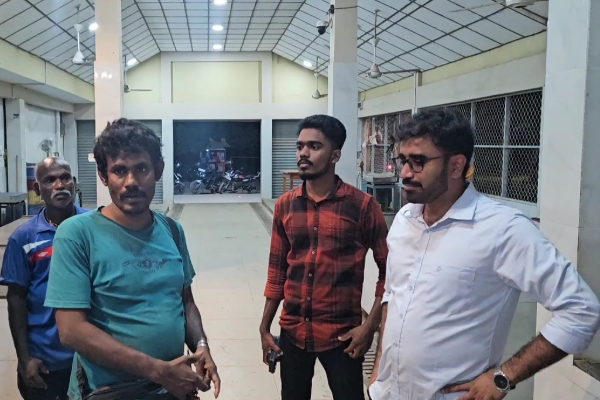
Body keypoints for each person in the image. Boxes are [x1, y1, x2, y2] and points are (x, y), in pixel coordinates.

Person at [369, 108, 600, 400]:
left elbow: (581, 310)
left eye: (418, 162)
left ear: (456, 166)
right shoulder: (405, 220)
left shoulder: (503, 229)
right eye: (403, 160)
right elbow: (393, 296)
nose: (404, 173)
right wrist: (378, 372)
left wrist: (504, 376)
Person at [44, 119, 221, 400]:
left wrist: (201, 345)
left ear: (158, 170)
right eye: (119, 171)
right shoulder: (77, 234)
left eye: (141, 168)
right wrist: (157, 370)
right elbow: (71, 331)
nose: (131, 182)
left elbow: (185, 301)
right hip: (108, 392)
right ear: (103, 176)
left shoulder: (172, 230)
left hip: (172, 389)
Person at [260, 115, 389, 400]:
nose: (303, 153)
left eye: (314, 146)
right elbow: (277, 271)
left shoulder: (363, 207)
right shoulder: (285, 206)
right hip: (293, 332)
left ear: (335, 155)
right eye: (300, 146)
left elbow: (390, 273)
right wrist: (264, 326)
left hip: (343, 336)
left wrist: (370, 327)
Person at [0, 157, 87, 400]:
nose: (60, 185)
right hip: (48, 360)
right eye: (50, 180)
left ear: (74, 183)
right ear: (38, 189)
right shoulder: (24, 238)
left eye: (65, 178)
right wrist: (24, 358)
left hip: (92, 355)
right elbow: (16, 300)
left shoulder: (94, 227)